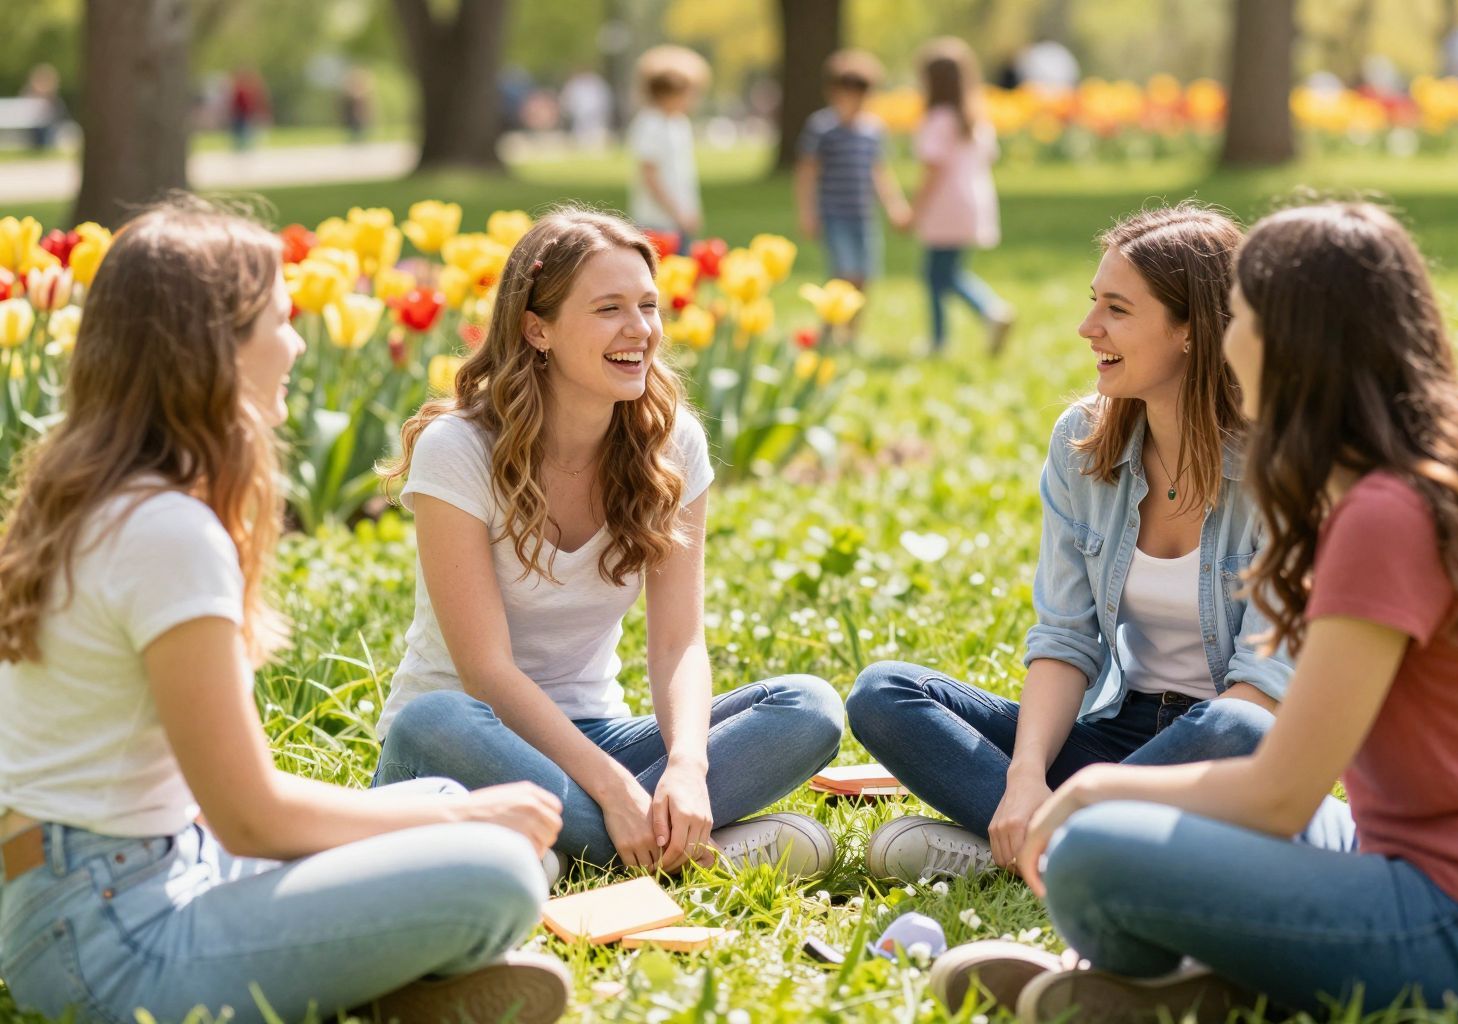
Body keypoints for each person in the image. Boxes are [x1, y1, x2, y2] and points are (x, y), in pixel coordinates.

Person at [941, 203, 1458, 1022]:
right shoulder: (1406, 486)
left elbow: (1281, 797)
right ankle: (1209, 984)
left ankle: (1195, 980)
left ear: (1296, 341)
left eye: (1242, 316)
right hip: (1396, 858)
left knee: (1092, 852)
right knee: (1186, 791)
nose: (1228, 336)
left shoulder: (1383, 514)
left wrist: (1090, 793)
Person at [0, 200, 569, 1024]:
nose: (297, 342)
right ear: (213, 348)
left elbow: (217, 812)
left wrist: (446, 808)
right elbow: (251, 815)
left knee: (445, 796)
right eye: (278, 318)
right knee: (499, 867)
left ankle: (382, 977)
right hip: (111, 937)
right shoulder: (165, 531)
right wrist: (465, 816)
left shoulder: (102, 498)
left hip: (115, 880)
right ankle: (388, 979)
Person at [848, 206, 1298, 907]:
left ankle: (1047, 840)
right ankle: (1077, 842)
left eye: (1116, 309)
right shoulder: (1083, 441)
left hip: (1216, 754)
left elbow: (1262, 688)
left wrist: (1083, 793)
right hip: (1115, 730)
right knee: (883, 693)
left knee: (1239, 725)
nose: (1089, 329)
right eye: (1095, 303)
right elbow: (1065, 638)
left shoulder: (1285, 465)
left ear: (1190, 330)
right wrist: (1027, 773)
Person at [373, 208, 844, 878]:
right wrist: (614, 788)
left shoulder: (671, 443)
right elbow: (487, 672)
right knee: (434, 720)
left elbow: (678, 641)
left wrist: (686, 764)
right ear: (538, 328)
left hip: (598, 732)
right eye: (608, 308)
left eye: (648, 306)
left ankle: (569, 850)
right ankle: (677, 850)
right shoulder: (460, 449)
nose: (641, 330)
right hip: (470, 745)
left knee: (808, 708)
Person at [908, 37, 1013, 355]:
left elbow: (932, 170)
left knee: (938, 275)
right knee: (944, 272)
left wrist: (914, 211)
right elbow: (989, 157)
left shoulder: (938, 119)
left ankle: (983, 314)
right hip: (974, 201)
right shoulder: (974, 119)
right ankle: (944, 337)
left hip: (945, 204)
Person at [794, 49, 910, 294]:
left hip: (863, 215)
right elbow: (807, 172)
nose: (855, 101)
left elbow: (879, 172)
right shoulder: (822, 127)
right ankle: (833, 323)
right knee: (843, 273)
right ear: (833, 92)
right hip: (834, 213)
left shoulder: (873, 130)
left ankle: (850, 329)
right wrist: (807, 212)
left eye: (861, 94)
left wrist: (894, 206)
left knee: (865, 274)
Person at [627, 46, 709, 251]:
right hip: (656, 221)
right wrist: (677, 213)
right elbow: (650, 176)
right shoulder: (650, 124)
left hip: (678, 218)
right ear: (667, 94)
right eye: (688, 93)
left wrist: (689, 211)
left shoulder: (678, 123)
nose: (692, 99)